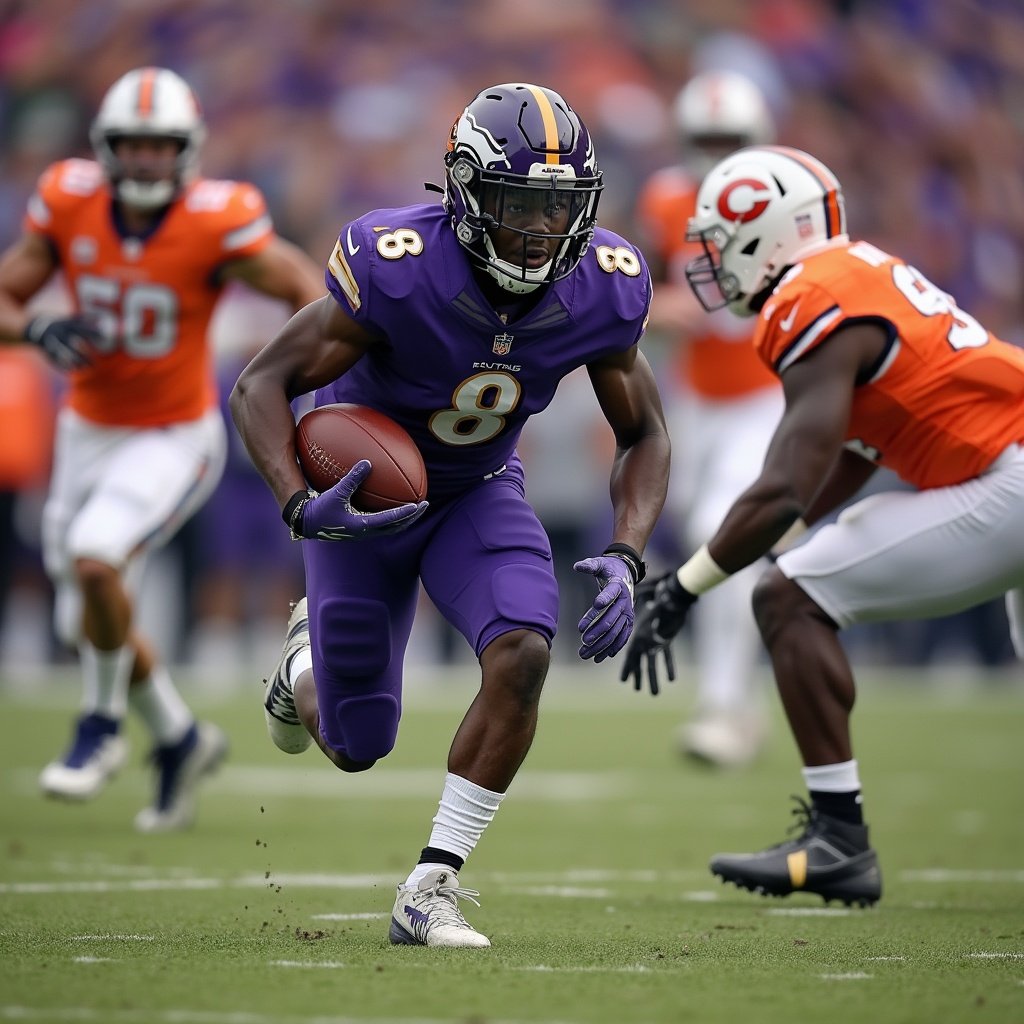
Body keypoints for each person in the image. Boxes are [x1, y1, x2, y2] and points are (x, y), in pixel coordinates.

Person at [230, 82, 670, 947]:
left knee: (524, 651)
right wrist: (297, 502)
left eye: (559, 208)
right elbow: (261, 383)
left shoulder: (602, 287)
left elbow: (646, 430)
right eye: (518, 204)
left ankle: (430, 885)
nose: (541, 230)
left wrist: (625, 551)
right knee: (358, 743)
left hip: (476, 487)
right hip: (364, 498)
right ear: (466, 193)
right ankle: (303, 664)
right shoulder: (396, 266)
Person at [621, 144, 1024, 908]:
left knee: (792, 597)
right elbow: (855, 452)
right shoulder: (858, 270)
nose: (707, 265)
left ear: (766, 233)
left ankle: (838, 836)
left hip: (1009, 477)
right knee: (800, 571)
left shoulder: (808, 296)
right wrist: (774, 538)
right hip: (1007, 463)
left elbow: (781, 486)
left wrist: (684, 588)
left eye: (716, 246)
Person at [0, 67, 325, 831]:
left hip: (175, 433)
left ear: (188, 150)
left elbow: (307, 290)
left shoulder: (219, 219)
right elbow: (7, 296)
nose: (146, 161)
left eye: (160, 146)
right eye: (132, 146)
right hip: (86, 429)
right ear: (106, 149)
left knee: (95, 556)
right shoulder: (70, 200)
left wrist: (294, 375)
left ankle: (100, 729)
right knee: (89, 614)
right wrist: (36, 328)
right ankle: (178, 739)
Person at [635, 69, 781, 767]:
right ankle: (739, 698)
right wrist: (659, 309)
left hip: (766, 391)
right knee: (701, 541)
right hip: (695, 398)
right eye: (709, 139)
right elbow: (640, 286)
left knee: (720, 533)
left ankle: (725, 705)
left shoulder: (784, 198)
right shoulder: (667, 198)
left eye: (732, 139)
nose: (719, 152)